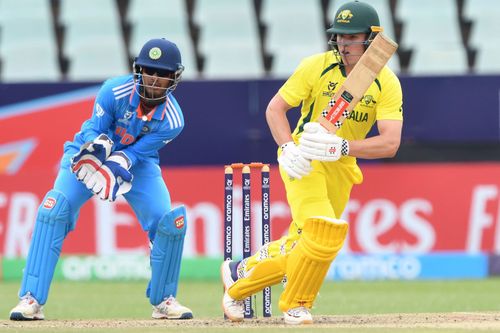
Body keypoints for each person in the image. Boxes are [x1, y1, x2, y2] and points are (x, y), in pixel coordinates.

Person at [221, 1, 403, 325]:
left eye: (352, 37)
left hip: (341, 165)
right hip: (303, 160)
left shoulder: (385, 82)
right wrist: (288, 147)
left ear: (372, 39)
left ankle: (241, 276)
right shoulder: (316, 66)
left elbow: (390, 143)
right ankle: (296, 303)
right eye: (340, 37)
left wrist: (343, 147)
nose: (344, 44)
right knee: (321, 232)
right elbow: (275, 110)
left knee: (310, 241)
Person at [9, 38, 193, 321]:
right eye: (148, 70)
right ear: (138, 70)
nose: (154, 79)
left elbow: (137, 154)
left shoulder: (173, 120)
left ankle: (164, 300)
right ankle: (31, 298)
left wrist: (119, 162)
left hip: (138, 165)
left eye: (162, 73)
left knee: (166, 221)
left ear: (174, 78)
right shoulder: (114, 90)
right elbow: (95, 130)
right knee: (54, 209)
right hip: (87, 155)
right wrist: (98, 153)